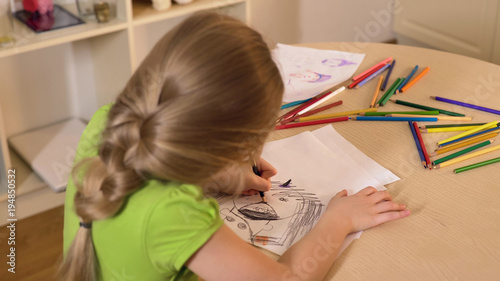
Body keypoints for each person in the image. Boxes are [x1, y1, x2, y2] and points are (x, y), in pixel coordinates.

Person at [60, 12, 410, 281]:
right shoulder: (174, 214)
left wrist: (218, 175)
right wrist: (337, 221)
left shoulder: (107, 123)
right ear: (228, 146)